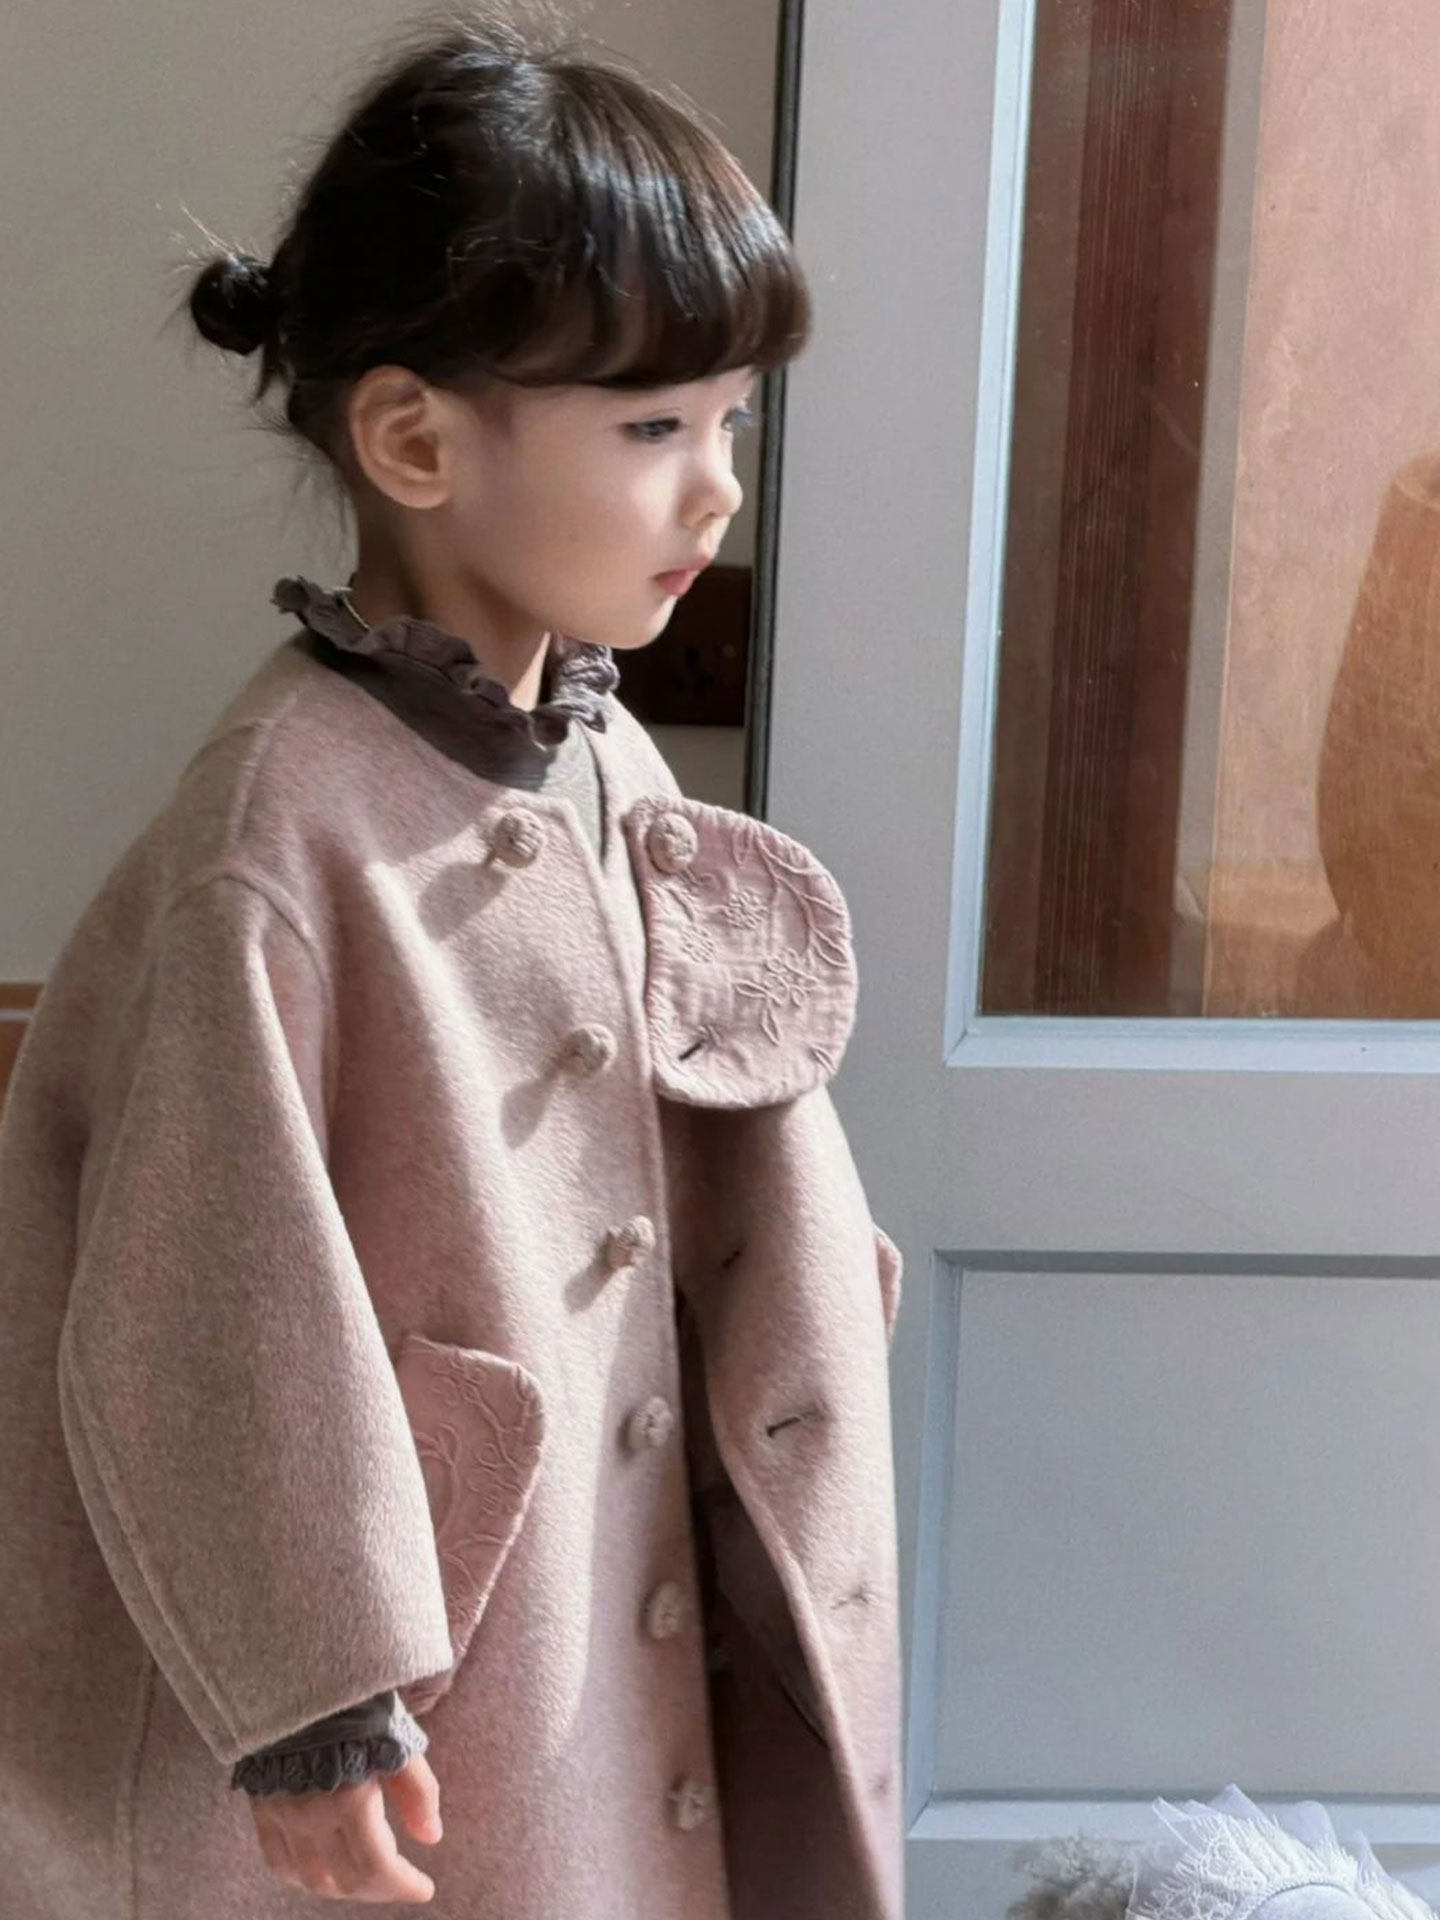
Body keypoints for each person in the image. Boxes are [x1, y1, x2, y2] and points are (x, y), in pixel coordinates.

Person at [0, 7, 904, 1917]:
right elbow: (199, 1290)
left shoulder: (596, 744)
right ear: (414, 439)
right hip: (432, 1683)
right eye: (653, 429)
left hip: (603, 1592)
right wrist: (312, 1702)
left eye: (729, 422)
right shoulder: (280, 837)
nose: (717, 489)